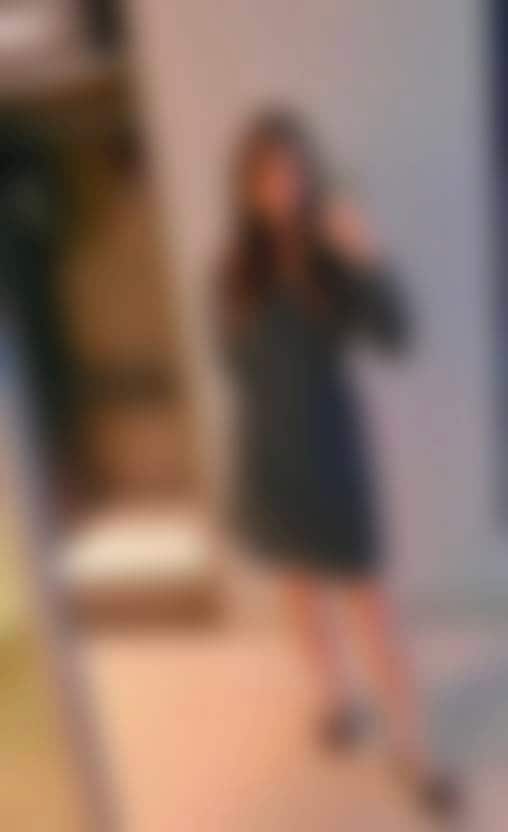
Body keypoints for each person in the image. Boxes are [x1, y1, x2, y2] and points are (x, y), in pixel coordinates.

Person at [217, 110, 460, 818]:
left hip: (332, 459)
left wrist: (367, 254)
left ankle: (416, 755)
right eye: (267, 173)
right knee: (301, 597)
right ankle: (337, 701)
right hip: (269, 461)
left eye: (292, 170)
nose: (282, 186)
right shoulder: (232, 270)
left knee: (374, 615)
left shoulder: (330, 255)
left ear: (308, 174)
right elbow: (235, 368)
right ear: (247, 185)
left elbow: (398, 336)